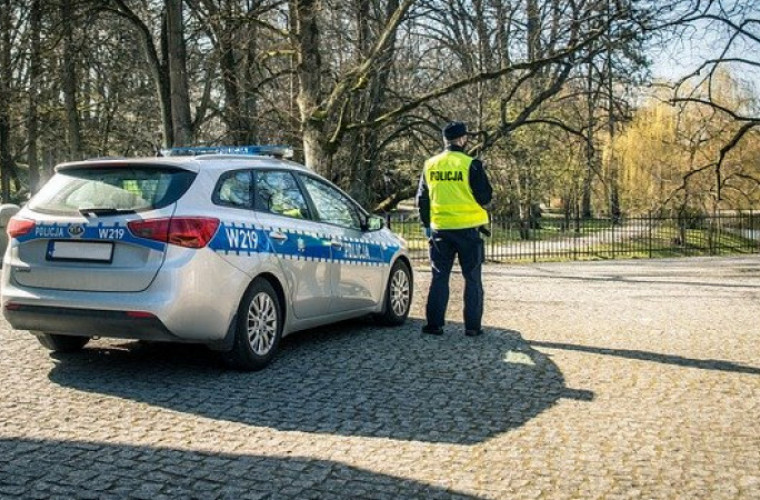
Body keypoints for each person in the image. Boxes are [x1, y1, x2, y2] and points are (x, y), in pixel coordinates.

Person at [416, 121, 493, 337]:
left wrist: (426, 224)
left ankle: (434, 325)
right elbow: (485, 197)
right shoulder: (472, 164)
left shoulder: (430, 165)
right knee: (472, 278)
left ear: (444, 140)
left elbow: (422, 199)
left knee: (439, 276)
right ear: (462, 139)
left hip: (440, 229)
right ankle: (472, 327)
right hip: (468, 230)